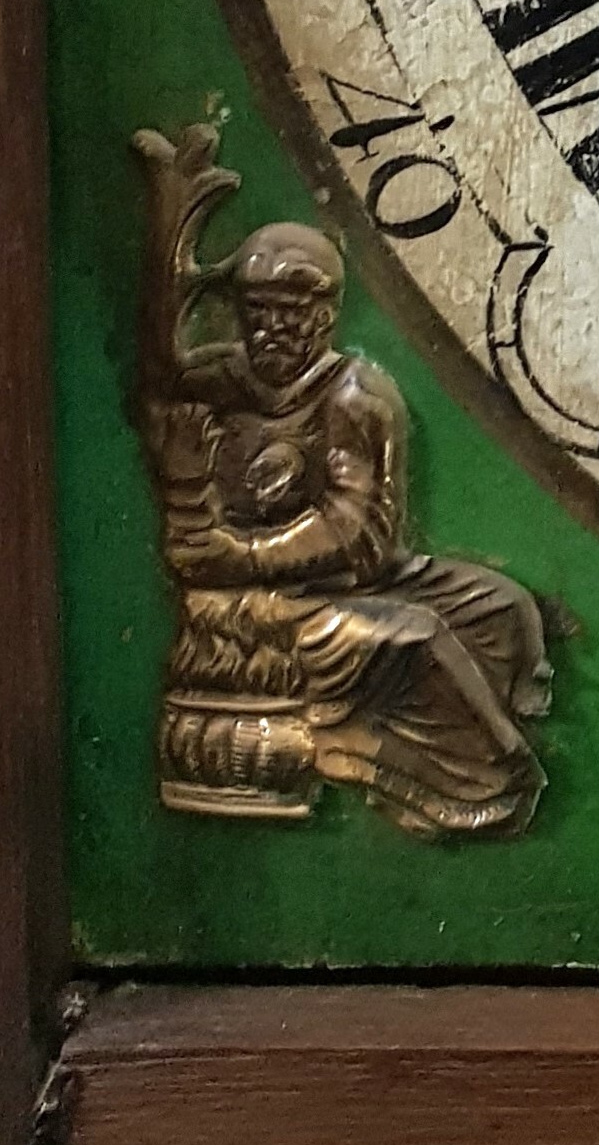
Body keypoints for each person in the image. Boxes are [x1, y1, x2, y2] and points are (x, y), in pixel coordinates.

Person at [136, 122, 548, 836]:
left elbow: (356, 532)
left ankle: (481, 714)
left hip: (328, 571)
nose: (274, 332)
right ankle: (483, 780)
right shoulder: (216, 385)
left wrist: (247, 551)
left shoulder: (354, 396)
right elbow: (167, 406)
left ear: (325, 319)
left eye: (294, 317)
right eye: (259, 315)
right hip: (262, 600)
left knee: (501, 608)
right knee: (418, 637)